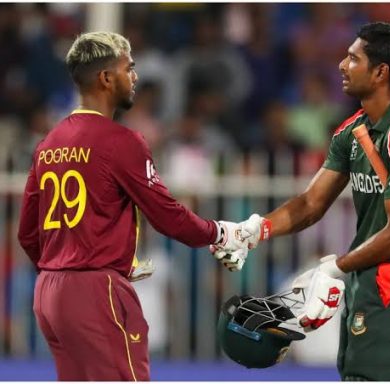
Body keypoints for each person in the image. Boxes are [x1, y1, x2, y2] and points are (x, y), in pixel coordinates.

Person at [214, 22, 390, 381]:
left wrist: (335, 267)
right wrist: (256, 230)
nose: (341, 65)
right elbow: (310, 204)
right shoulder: (353, 130)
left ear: (381, 71)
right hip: (362, 276)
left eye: (353, 58)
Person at [17, 31, 249, 381]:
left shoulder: (48, 144)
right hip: (97, 293)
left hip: (50, 292)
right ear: (106, 78)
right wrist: (219, 232)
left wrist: (68, 268)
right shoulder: (121, 142)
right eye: (129, 68)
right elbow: (168, 218)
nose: (135, 77)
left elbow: (27, 235)